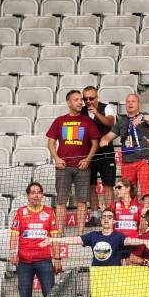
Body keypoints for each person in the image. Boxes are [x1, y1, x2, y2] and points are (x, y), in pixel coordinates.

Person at [46, 90, 100, 235]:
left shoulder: (88, 121)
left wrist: (87, 160)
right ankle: (59, 233)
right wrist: (56, 159)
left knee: (82, 201)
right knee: (61, 201)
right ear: (69, 102)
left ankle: (80, 233)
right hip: (63, 167)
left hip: (83, 167)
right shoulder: (59, 120)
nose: (80, 102)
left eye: (80, 99)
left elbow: (95, 143)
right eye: (76, 100)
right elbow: (50, 143)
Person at [10, 182, 61, 297]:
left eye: (38, 192)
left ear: (42, 195)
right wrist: (13, 253)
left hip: (44, 261)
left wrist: (57, 259)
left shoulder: (49, 212)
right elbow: (14, 236)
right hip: (24, 263)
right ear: (28, 195)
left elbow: (55, 238)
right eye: (33, 192)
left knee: (50, 296)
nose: (36, 195)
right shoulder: (20, 212)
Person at [99, 94, 149, 206]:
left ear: (138, 104)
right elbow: (109, 136)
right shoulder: (121, 121)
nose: (130, 103)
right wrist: (105, 140)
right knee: (128, 192)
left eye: (133, 101)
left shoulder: (144, 117)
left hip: (143, 161)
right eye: (128, 102)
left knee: (147, 191)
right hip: (127, 162)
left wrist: (142, 118)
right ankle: (131, 214)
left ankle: (146, 214)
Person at [40, 208, 149, 267]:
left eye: (109, 217)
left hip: (114, 276)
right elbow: (73, 239)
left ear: (114, 221)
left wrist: (144, 241)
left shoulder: (118, 236)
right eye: (104, 217)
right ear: (100, 220)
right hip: (97, 277)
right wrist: (52, 239)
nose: (106, 219)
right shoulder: (93, 236)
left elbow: (130, 240)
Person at [82, 86, 116, 227]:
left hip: (105, 150)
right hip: (89, 151)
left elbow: (110, 122)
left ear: (97, 97)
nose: (88, 101)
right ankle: (95, 215)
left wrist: (96, 113)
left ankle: (110, 215)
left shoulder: (106, 107)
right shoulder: (81, 111)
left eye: (91, 98)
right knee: (91, 185)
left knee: (108, 184)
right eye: (85, 99)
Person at [110, 178, 145, 264]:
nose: (117, 190)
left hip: (133, 244)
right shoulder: (113, 206)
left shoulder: (139, 206)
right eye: (116, 188)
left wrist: (143, 216)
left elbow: (143, 230)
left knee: (131, 273)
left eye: (119, 187)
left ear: (128, 188)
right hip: (118, 243)